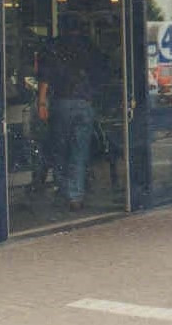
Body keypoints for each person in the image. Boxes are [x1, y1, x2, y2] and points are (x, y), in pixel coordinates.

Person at [37, 13, 109, 210]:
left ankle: (63, 191)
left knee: (60, 150)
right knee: (79, 152)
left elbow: (45, 77)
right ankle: (75, 196)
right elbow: (101, 74)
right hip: (84, 104)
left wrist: (41, 103)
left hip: (61, 103)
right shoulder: (89, 47)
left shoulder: (53, 46)